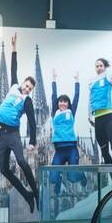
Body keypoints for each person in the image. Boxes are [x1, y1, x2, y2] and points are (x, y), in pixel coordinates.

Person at [0, 34, 39, 212]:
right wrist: (13, 49)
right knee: (4, 170)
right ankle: (26, 195)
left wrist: (33, 141)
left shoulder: (27, 101)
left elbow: (33, 123)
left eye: (29, 88)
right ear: (23, 84)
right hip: (2, 135)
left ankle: (35, 192)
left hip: (13, 134)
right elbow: (14, 69)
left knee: (21, 161)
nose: (26, 88)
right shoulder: (13, 86)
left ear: (31, 91)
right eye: (26, 85)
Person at [89, 47, 112, 166]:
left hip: (109, 117)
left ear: (105, 67)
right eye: (97, 66)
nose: (99, 68)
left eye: (101, 65)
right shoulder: (91, 82)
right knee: (104, 151)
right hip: (97, 120)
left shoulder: (109, 76)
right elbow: (90, 101)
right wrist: (89, 116)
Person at [50, 70, 81, 206]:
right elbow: (53, 96)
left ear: (68, 104)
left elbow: (77, 97)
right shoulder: (54, 113)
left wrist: (76, 81)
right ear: (58, 103)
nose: (62, 103)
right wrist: (54, 79)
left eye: (65, 102)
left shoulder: (71, 112)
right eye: (60, 101)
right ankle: (59, 178)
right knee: (52, 177)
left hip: (71, 148)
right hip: (59, 150)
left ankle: (82, 175)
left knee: (73, 178)